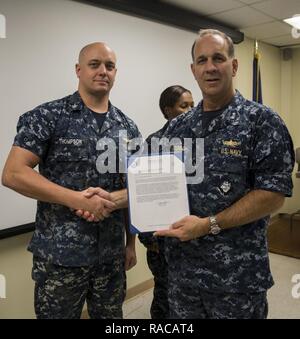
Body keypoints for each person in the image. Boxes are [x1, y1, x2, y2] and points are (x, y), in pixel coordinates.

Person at [154, 29, 295, 319]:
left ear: (233, 65)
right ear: (193, 70)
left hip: (236, 280)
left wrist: (208, 225)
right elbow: (154, 181)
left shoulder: (262, 122)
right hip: (183, 277)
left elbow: (273, 194)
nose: (210, 67)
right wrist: (111, 199)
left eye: (218, 58)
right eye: (202, 60)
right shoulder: (177, 127)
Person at [2, 42, 141, 319]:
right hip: (60, 259)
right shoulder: (48, 117)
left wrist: (130, 243)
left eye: (109, 66)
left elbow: (135, 188)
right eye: (94, 64)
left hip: (111, 258)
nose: (103, 71)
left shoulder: (127, 127)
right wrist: (76, 199)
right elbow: (14, 173)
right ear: (78, 70)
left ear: (116, 73)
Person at [139, 85, 194, 319]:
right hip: (164, 239)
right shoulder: (155, 142)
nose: (191, 110)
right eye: (184, 106)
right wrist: (148, 238)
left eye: (193, 105)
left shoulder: (203, 140)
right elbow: (143, 193)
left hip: (196, 235)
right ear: (167, 110)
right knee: (164, 296)